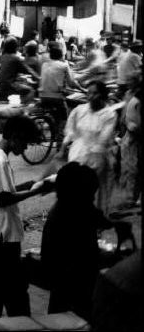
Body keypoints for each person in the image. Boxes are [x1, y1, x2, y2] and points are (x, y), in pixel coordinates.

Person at [0, 114, 49, 330]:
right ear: (15, 137)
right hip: (2, 237)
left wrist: (29, 185)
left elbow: (3, 191)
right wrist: (33, 193)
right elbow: (3, 199)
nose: (26, 148)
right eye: (25, 142)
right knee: (14, 293)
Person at [40, 162, 130, 321]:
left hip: (63, 282)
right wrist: (111, 256)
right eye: (91, 194)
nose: (94, 198)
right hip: (73, 284)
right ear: (80, 193)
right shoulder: (74, 213)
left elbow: (101, 219)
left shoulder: (69, 206)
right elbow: (84, 258)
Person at [59, 80, 117, 215]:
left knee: (98, 190)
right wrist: (62, 149)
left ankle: (97, 218)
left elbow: (103, 139)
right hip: (77, 154)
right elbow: (70, 131)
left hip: (98, 158)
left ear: (103, 95)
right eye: (89, 93)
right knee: (76, 190)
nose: (90, 96)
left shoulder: (109, 114)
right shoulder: (79, 111)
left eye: (95, 93)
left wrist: (89, 160)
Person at [38, 42, 84, 130]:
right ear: (61, 56)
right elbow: (71, 83)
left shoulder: (44, 65)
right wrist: (82, 89)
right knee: (64, 118)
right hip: (56, 98)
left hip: (42, 96)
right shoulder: (64, 65)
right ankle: (60, 139)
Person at [119, 81, 142, 209]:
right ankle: (132, 198)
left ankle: (132, 198)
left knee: (132, 170)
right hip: (134, 139)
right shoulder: (135, 100)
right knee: (133, 170)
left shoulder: (133, 98)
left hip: (132, 138)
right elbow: (133, 125)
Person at [0, 37, 40, 102]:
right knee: (30, 90)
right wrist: (39, 78)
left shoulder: (3, 57)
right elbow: (28, 70)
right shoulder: (15, 58)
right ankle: (25, 110)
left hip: (0, 86)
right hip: (10, 85)